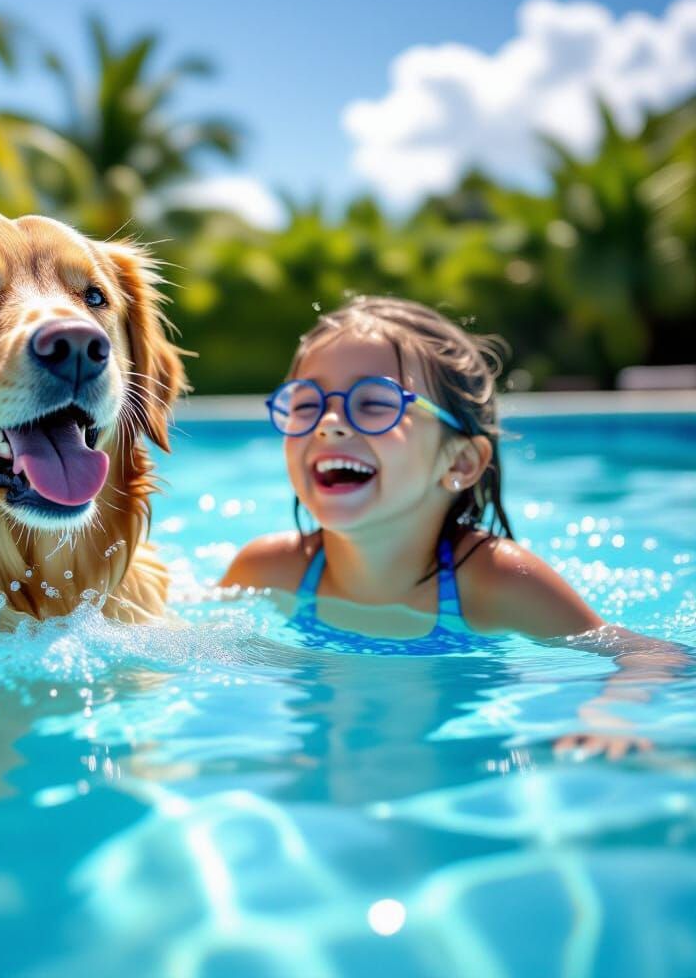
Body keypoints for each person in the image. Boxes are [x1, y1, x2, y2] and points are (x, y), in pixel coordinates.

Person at [221, 295, 688, 758]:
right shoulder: (269, 568)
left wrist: (611, 713)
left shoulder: (495, 582)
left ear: (461, 461)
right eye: (306, 405)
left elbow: (651, 655)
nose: (329, 424)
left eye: (376, 402)